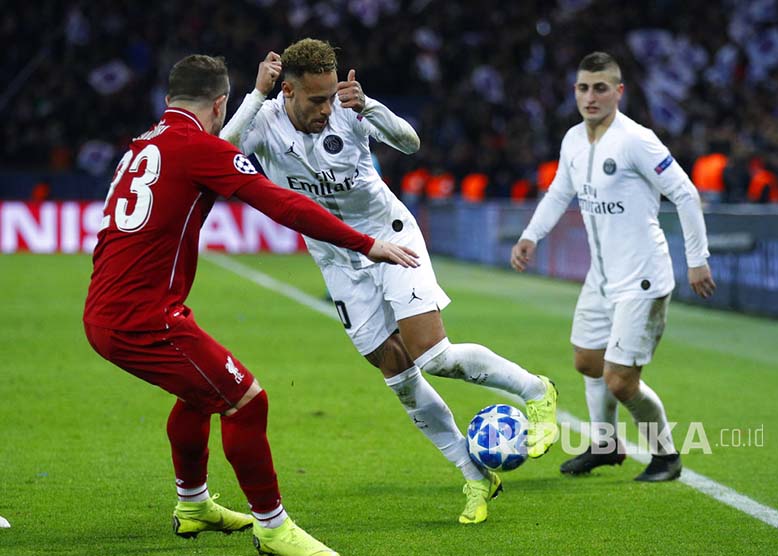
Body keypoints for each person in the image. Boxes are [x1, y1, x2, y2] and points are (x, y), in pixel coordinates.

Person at [83, 53, 420, 556]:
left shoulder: (143, 145)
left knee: (201, 394)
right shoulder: (199, 148)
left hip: (112, 307)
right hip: (143, 318)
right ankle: (273, 527)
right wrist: (365, 243)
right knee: (247, 400)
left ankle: (194, 506)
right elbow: (282, 203)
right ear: (219, 104)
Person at [221, 40, 559, 524]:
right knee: (398, 376)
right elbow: (222, 153)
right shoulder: (264, 119)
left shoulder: (348, 109)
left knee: (434, 356)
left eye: (330, 96)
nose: (326, 108)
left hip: (390, 239)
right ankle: (474, 475)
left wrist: (370, 106)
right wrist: (254, 94)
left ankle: (535, 391)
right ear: (288, 90)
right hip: (338, 260)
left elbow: (410, 143)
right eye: (315, 100)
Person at [511, 52, 716, 482]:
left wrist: (697, 260)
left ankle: (666, 457)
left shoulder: (636, 140)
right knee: (587, 361)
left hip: (642, 278)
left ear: (618, 92)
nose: (591, 96)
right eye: (583, 88)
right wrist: (531, 235)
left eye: (600, 87)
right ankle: (605, 445)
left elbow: (685, 193)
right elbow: (557, 194)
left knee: (620, 381)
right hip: (601, 278)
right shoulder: (572, 140)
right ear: (574, 92)